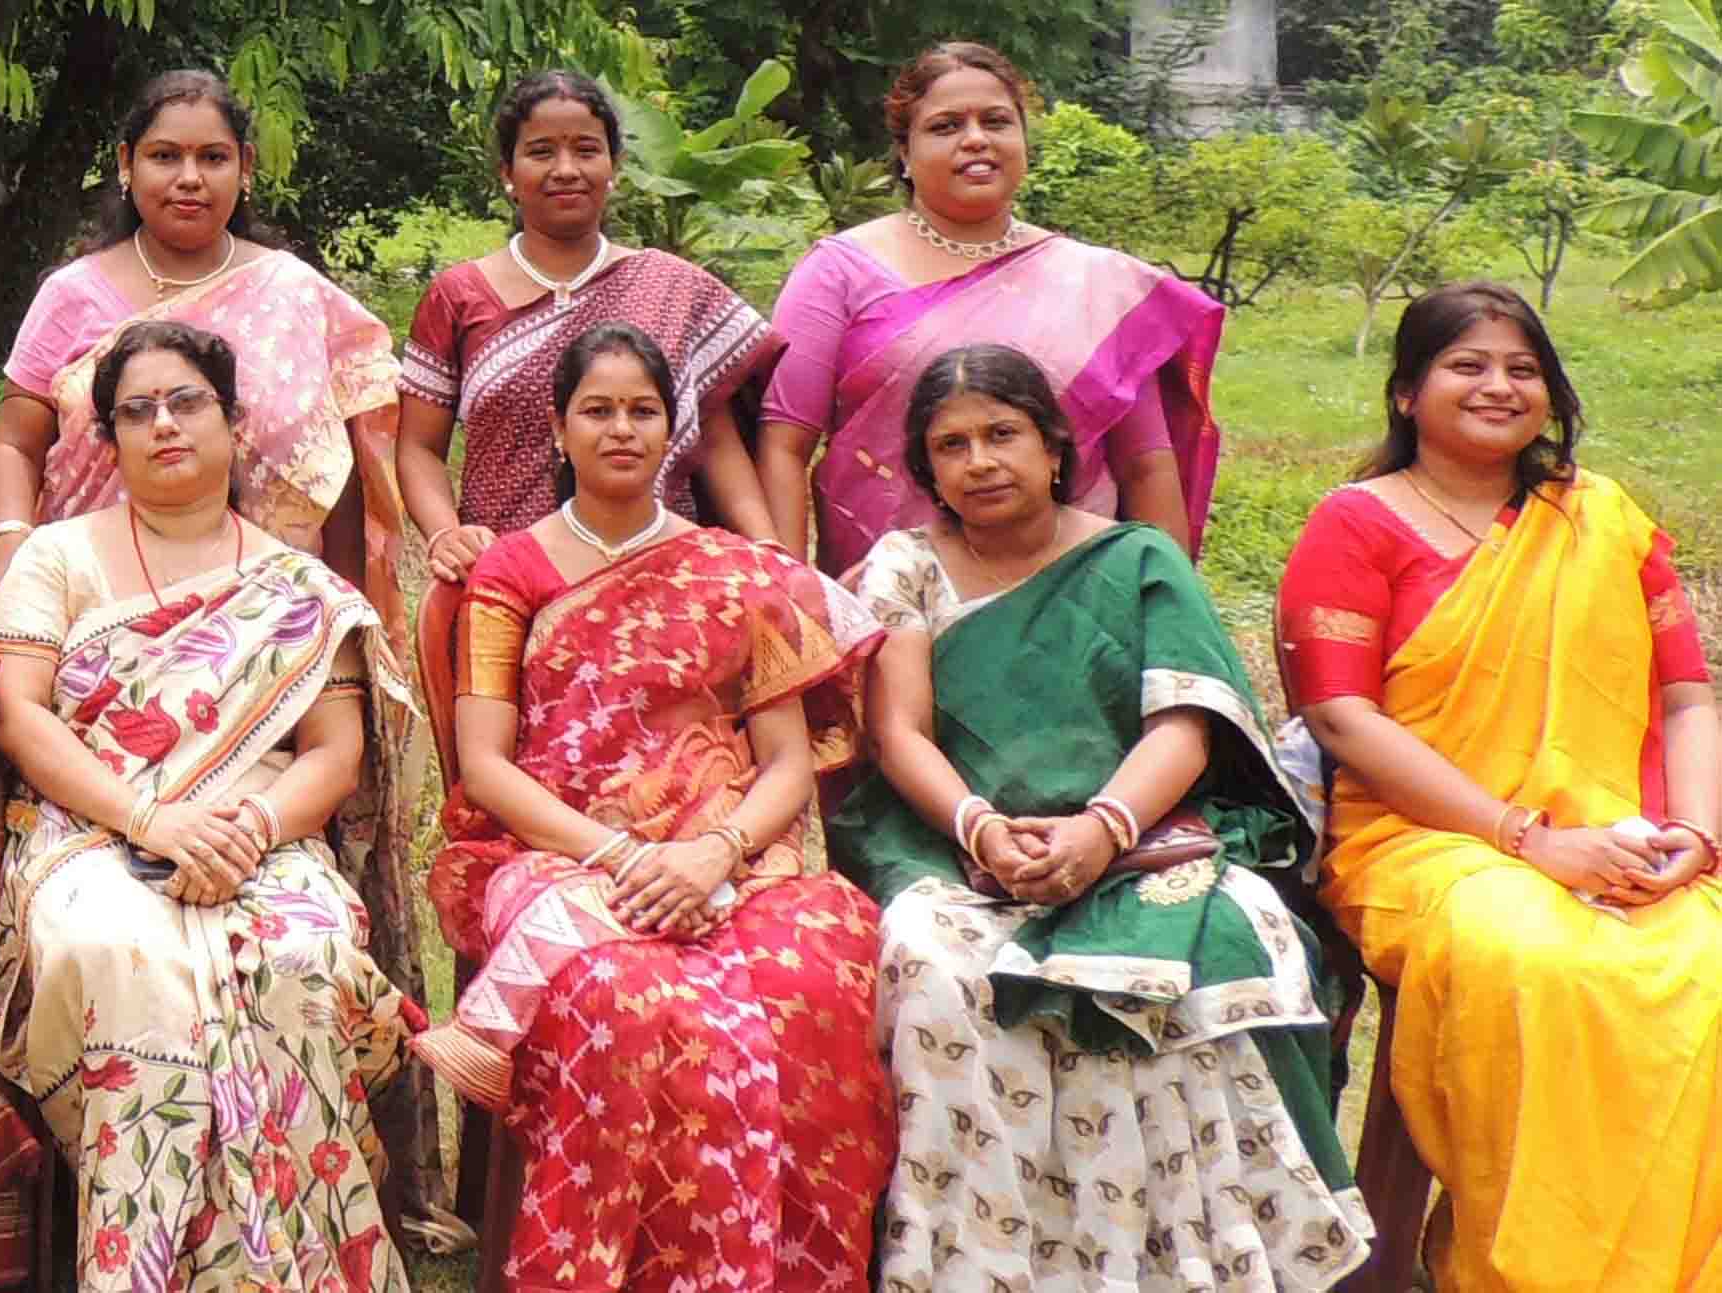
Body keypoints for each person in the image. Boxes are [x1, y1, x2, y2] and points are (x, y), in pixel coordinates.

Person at [828, 343, 1366, 1289]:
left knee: (1239, 945)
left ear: (1053, 446)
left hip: (1143, 837)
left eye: (1003, 434)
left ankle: (1195, 1263)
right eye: (952, 445)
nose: (980, 461)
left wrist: (1101, 829)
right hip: (951, 842)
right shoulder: (908, 566)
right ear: (926, 469)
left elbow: (1186, 722)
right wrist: (983, 829)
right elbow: (898, 731)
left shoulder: (1135, 558)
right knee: (935, 966)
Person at [425, 323, 893, 1289]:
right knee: (626, 999)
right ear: (558, 428)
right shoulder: (512, 570)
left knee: (818, 978)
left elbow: (786, 764)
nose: (621, 429)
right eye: (597, 410)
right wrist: (624, 857)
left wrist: (717, 850)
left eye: (643, 410)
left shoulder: (736, 570)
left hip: (729, 856)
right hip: (559, 855)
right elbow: (487, 766)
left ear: (673, 430)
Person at [1279, 281, 1722, 1291]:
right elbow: (1343, 719)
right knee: (1531, 960)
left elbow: (1689, 698)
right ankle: (1533, 1265)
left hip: (1617, 832)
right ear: (1407, 392)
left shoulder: (1600, 518)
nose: (1499, 386)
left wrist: (1697, 839)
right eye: (1467, 365)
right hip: (1423, 843)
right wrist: (1530, 838)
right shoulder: (1357, 524)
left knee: (1705, 960)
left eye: (1523, 369)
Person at [0, 320, 432, 1290]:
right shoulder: (56, 559)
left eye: (187, 402)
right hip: (88, 832)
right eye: (136, 411)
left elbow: (335, 753)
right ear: (108, 439)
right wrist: (149, 821)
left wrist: (252, 829)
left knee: (304, 956)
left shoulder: (297, 586)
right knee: (117, 953)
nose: (165, 425)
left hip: (257, 838)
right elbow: (16, 714)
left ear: (234, 423)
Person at [758, 40, 1226, 576]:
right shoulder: (840, 271)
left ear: (1023, 140)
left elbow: (1145, 466)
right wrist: (792, 595)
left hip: (1074, 593)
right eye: (946, 126)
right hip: (890, 596)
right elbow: (783, 447)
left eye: (997, 121)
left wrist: (1168, 599)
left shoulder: (1096, 282)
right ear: (905, 153)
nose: (976, 138)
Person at [0, 69, 401, 603]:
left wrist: (344, 605)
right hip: (95, 597)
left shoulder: (293, 293)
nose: (190, 178)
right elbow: (15, 445)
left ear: (245, 166)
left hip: (267, 610)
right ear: (126, 163)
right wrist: (8, 542)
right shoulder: (71, 295)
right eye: (164, 156)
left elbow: (332, 473)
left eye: (213, 158)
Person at [402, 69, 778, 576]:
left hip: (658, 575)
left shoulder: (674, 287)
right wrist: (445, 535)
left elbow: (714, 440)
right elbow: (420, 446)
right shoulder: (458, 296)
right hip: (504, 578)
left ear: (613, 166)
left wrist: (767, 548)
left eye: (585, 150)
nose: (565, 170)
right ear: (507, 172)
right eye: (541, 152)